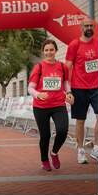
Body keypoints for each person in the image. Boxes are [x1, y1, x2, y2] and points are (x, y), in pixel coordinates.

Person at [28, 39, 74, 171]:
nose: (49, 52)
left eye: (51, 50)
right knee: (45, 135)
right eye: (46, 50)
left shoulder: (62, 66)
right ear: (43, 52)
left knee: (62, 130)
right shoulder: (39, 67)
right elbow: (30, 88)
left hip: (58, 104)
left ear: (55, 51)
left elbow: (65, 82)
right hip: (41, 107)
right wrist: (38, 94)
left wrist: (69, 92)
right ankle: (44, 160)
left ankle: (54, 153)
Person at [65, 17, 98, 164]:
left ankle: (97, 149)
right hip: (79, 87)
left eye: (91, 25)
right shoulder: (75, 44)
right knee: (81, 121)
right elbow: (67, 67)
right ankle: (80, 150)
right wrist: (68, 90)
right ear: (81, 28)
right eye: (86, 26)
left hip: (97, 86)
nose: (89, 28)